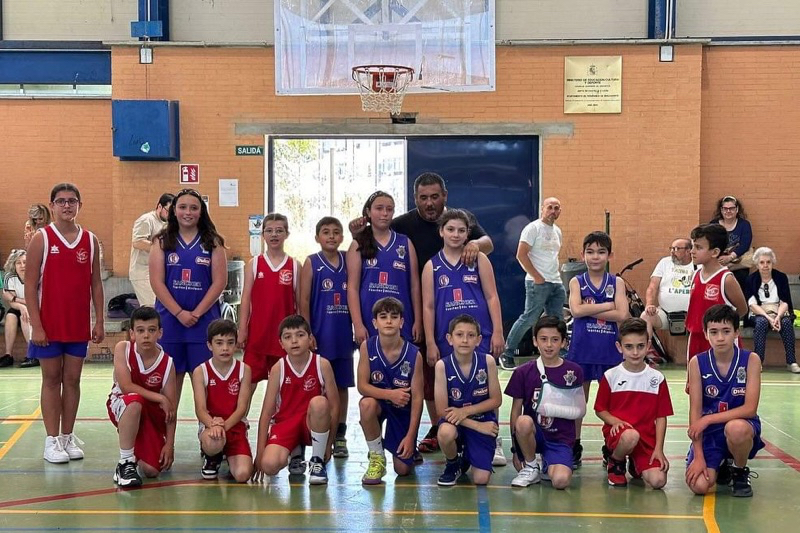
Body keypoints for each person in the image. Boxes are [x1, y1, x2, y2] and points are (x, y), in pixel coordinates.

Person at [351, 172, 493, 454]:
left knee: (471, 372)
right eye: (423, 198)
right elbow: (372, 229)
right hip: (429, 312)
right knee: (429, 374)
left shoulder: (458, 218)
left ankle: (482, 431)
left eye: (435, 197)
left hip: (448, 311)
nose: (429, 202)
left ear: (445, 197)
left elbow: (488, 241)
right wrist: (358, 225)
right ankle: (438, 424)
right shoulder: (401, 224)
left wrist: (475, 245)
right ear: (415, 199)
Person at [25, 183, 105, 463]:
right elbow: (30, 284)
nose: (67, 205)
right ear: (52, 205)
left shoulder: (90, 240)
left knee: (72, 380)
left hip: (77, 324)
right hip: (48, 324)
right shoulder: (42, 239)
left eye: (72, 201)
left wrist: (99, 320)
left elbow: (95, 283)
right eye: (61, 201)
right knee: (51, 379)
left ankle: (67, 436)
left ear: (80, 205)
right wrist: (36, 324)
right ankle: (51, 440)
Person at [422, 208, 506, 466]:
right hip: (448, 338)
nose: (455, 234)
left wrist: (499, 331)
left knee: (485, 383)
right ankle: (455, 438)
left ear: (468, 233)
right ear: (441, 232)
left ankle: (494, 437)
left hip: (480, 334)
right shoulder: (432, 266)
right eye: (450, 229)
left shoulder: (479, 259)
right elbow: (428, 306)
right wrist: (430, 342)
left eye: (461, 230)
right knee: (451, 387)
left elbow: (492, 296)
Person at [149, 188, 227, 408]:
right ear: (173, 211)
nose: (188, 212)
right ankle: (167, 439)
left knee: (206, 384)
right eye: (182, 207)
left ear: (201, 212)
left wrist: (197, 313)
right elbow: (157, 282)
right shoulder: (162, 241)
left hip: (204, 322)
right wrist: (179, 313)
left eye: (194, 208)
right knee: (170, 384)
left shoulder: (213, 242)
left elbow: (219, 282)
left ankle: (209, 436)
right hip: (171, 322)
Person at [686, 305, 764, 498]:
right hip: (710, 433)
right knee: (699, 486)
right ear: (705, 334)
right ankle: (720, 463)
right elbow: (695, 413)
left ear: (736, 332)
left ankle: (738, 470)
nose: (720, 338)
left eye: (726, 331)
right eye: (713, 332)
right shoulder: (697, 363)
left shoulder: (751, 360)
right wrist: (699, 457)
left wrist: (709, 419)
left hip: (740, 425)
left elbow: (750, 409)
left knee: (736, 429)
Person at [566, 231, 629, 468]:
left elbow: (622, 315)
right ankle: (574, 444)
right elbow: (575, 311)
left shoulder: (617, 282)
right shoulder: (576, 281)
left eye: (601, 252)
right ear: (583, 255)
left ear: (609, 255)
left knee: (610, 405)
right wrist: (608, 305)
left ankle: (610, 445)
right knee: (578, 403)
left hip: (608, 351)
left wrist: (588, 308)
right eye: (590, 252)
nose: (595, 257)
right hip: (582, 349)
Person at [253, 315, 339, 485]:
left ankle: (316, 461)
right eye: (288, 337)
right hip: (286, 423)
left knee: (320, 403)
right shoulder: (278, 368)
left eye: (300, 335)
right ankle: (295, 450)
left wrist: (329, 444)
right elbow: (266, 413)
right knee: (269, 465)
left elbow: (335, 407)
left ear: (310, 339)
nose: (294, 341)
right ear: (281, 343)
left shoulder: (322, 365)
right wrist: (260, 453)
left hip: (312, 424)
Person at [505, 316, 584, 489]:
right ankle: (532, 465)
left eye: (555, 340)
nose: (549, 345)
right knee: (523, 421)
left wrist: (575, 443)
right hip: (534, 433)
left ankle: (549, 462)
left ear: (563, 342)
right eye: (543, 339)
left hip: (560, 438)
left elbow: (578, 411)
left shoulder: (574, 371)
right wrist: (515, 449)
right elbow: (515, 411)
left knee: (561, 481)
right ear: (535, 341)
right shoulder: (523, 372)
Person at [300, 216, 356, 458]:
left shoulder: (349, 260)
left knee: (342, 386)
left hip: (343, 334)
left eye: (336, 232)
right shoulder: (312, 263)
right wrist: (307, 332)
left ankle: (340, 434)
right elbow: (302, 300)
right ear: (317, 237)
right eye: (326, 232)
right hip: (320, 335)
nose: (331, 236)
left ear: (342, 237)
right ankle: (316, 433)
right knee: (317, 387)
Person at [594, 318, 673, 489]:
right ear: (619, 347)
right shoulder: (611, 376)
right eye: (629, 347)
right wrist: (615, 422)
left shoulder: (656, 378)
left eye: (640, 346)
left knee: (658, 481)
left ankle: (637, 463)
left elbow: (661, 417)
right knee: (631, 436)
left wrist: (659, 449)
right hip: (621, 435)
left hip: (646, 440)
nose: (635, 352)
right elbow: (600, 409)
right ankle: (616, 461)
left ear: (648, 345)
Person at [106, 306, 176, 487]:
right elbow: (126, 386)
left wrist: (170, 445)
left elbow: (171, 411)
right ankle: (125, 462)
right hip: (123, 404)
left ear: (160, 333)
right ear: (132, 333)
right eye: (140, 330)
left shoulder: (167, 363)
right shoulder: (123, 348)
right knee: (135, 401)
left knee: (152, 470)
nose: (146, 335)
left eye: (151, 330)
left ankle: (135, 448)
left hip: (150, 414)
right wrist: (160, 398)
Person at [357, 297, 424, 485]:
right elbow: (362, 386)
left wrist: (411, 437)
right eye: (383, 317)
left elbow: (418, 399)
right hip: (379, 404)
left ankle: (406, 446)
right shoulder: (367, 347)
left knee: (402, 470)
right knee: (366, 404)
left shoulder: (414, 354)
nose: (388, 321)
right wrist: (391, 394)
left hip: (403, 410)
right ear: (374, 323)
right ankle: (377, 457)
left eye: (394, 317)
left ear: (401, 322)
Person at [347, 191, 421, 346]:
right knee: (372, 369)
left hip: (401, 319)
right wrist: (358, 324)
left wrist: (418, 320)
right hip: (370, 320)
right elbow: (352, 288)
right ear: (368, 212)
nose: (384, 214)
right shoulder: (357, 244)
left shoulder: (405, 243)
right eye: (379, 208)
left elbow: (415, 286)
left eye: (389, 209)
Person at [434, 314, 502, 486]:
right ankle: (452, 463)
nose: (465, 340)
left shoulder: (487, 361)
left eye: (471, 335)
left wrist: (465, 412)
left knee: (481, 479)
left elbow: (496, 400)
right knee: (445, 433)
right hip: (457, 422)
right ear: (449, 339)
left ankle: (466, 455)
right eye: (459, 335)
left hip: (481, 418)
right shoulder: (442, 366)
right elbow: (442, 410)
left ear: (478, 340)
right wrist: (477, 426)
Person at [501, 197, 564, 370]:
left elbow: (553, 256)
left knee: (557, 320)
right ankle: (507, 353)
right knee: (529, 318)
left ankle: (558, 353)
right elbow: (521, 255)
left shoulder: (557, 231)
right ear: (542, 209)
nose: (553, 211)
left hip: (555, 282)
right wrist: (536, 277)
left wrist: (555, 277)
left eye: (556, 208)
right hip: (538, 283)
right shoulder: (532, 228)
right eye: (549, 207)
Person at [238, 213, 299, 389]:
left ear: (287, 234)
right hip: (257, 336)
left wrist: (305, 333)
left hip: (284, 338)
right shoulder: (254, 264)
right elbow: (245, 299)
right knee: (248, 383)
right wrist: (242, 330)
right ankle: (241, 416)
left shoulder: (295, 266)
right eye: (269, 231)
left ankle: (279, 417)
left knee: (282, 385)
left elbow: (301, 303)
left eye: (279, 231)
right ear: (263, 234)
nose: (274, 235)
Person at [191, 319, 253, 483]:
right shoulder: (200, 371)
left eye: (230, 343)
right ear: (210, 345)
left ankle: (228, 451)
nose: (225, 348)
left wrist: (223, 426)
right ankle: (213, 457)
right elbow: (200, 410)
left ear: (236, 344)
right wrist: (214, 425)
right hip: (210, 426)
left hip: (234, 425)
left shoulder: (244, 370)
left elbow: (242, 408)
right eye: (219, 343)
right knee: (213, 442)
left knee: (242, 475)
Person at [686, 224, 748, 361]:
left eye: (699, 247)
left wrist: (724, 329)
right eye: (693, 246)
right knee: (695, 381)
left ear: (714, 252)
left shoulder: (726, 278)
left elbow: (743, 309)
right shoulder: (695, 274)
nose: (692, 251)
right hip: (696, 337)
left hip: (720, 341)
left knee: (724, 380)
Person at [745, 247, 799, 373]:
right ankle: (758, 362)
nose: (765, 266)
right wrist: (769, 318)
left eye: (768, 262)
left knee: (786, 323)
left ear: (772, 263)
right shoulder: (750, 279)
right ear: (757, 264)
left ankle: (791, 362)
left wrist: (778, 317)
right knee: (762, 323)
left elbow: (785, 301)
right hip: (758, 312)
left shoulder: (781, 277)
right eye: (762, 262)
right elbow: (752, 304)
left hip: (779, 311)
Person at [641, 238, 694, 336]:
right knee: (645, 316)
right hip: (665, 314)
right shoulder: (664, 262)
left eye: (676, 249)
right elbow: (652, 287)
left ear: (688, 251)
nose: (672, 252)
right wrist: (649, 304)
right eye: (671, 248)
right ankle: (647, 347)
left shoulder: (697, 265)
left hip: (692, 315)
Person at [129, 193, 173, 307]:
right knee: (152, 307)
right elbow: (137, 242)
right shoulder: (146, 220)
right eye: (168, 211)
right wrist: (159, 248)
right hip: (142, 272)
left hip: (157, 272)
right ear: (159, 206)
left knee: (162, 306)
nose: (170, 215)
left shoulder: (167, 223)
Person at [711, 195, 753, 291]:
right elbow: (710, 243)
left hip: (738, 263)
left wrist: (730, 257)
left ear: (737, 209)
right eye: (725, 208)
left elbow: (745, 244)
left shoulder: (744, 224)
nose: (728, 211)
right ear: (721, 210)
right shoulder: (713, 224)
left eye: (731, 208)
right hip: (718, 261)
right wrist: (720, 258)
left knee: (740, 281)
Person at [2, 250, 31, 367]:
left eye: (25, 262)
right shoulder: (10, 277)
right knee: (10, 315)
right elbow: (10, 302)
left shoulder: (35, 275)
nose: (22, 265)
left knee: (25, 316)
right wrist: (21, 306)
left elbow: (36, 300)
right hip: (18, 307)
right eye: (18, 263)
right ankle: (8, 355)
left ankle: (33, 354)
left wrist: (14, 299)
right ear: (14, 264)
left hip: (35, 307)